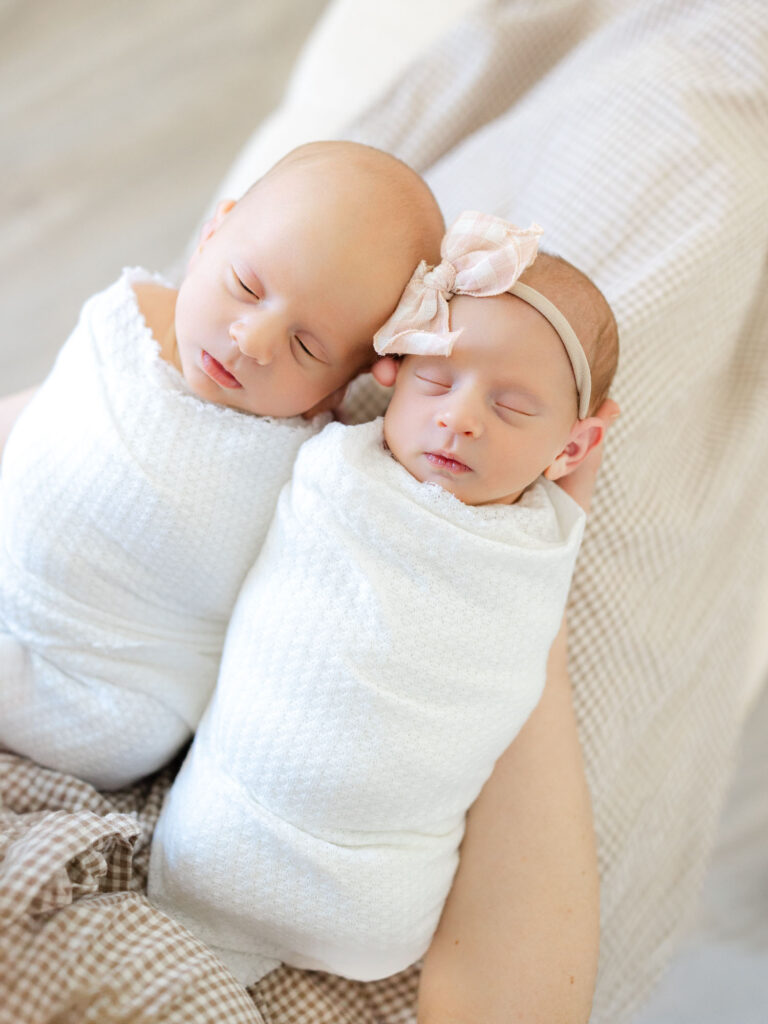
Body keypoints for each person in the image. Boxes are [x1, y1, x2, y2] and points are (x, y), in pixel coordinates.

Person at [147, 213, 619, 996]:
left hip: (374, 892)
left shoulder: (543, 540)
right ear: (393, 371)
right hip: (224, 821)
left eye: (511, 409)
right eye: (438, 379)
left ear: (570, 448)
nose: (459, 418)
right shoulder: (331, 453)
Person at [0, 140, 445, 790]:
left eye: (306, 346)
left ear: (345, 385)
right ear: (212, 231)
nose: (253, 342)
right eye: (246, 286)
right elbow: (46, 418)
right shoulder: (126, 316)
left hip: (105, 701)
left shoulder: (311, 463)